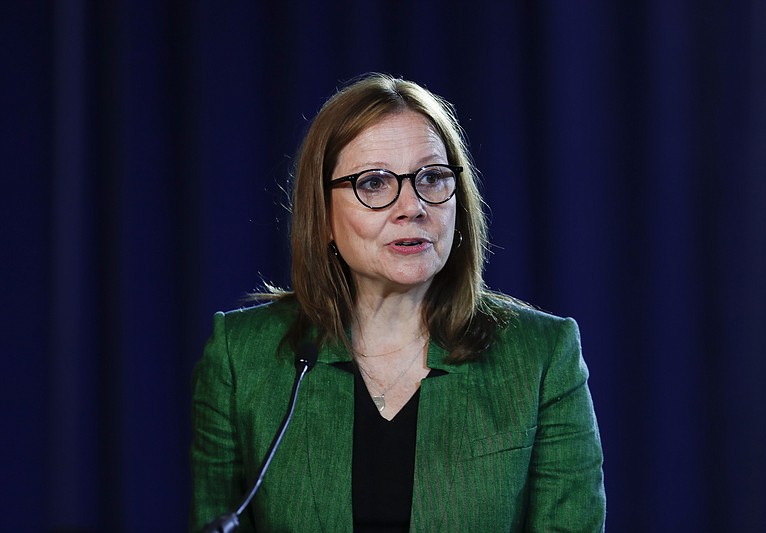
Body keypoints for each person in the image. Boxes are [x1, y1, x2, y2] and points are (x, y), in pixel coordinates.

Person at [190, 73, 606, 532]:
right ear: (323, 215)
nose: (412, 206)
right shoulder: (240, 358)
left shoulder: (541, 357)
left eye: (431, 177)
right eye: (373, 184)